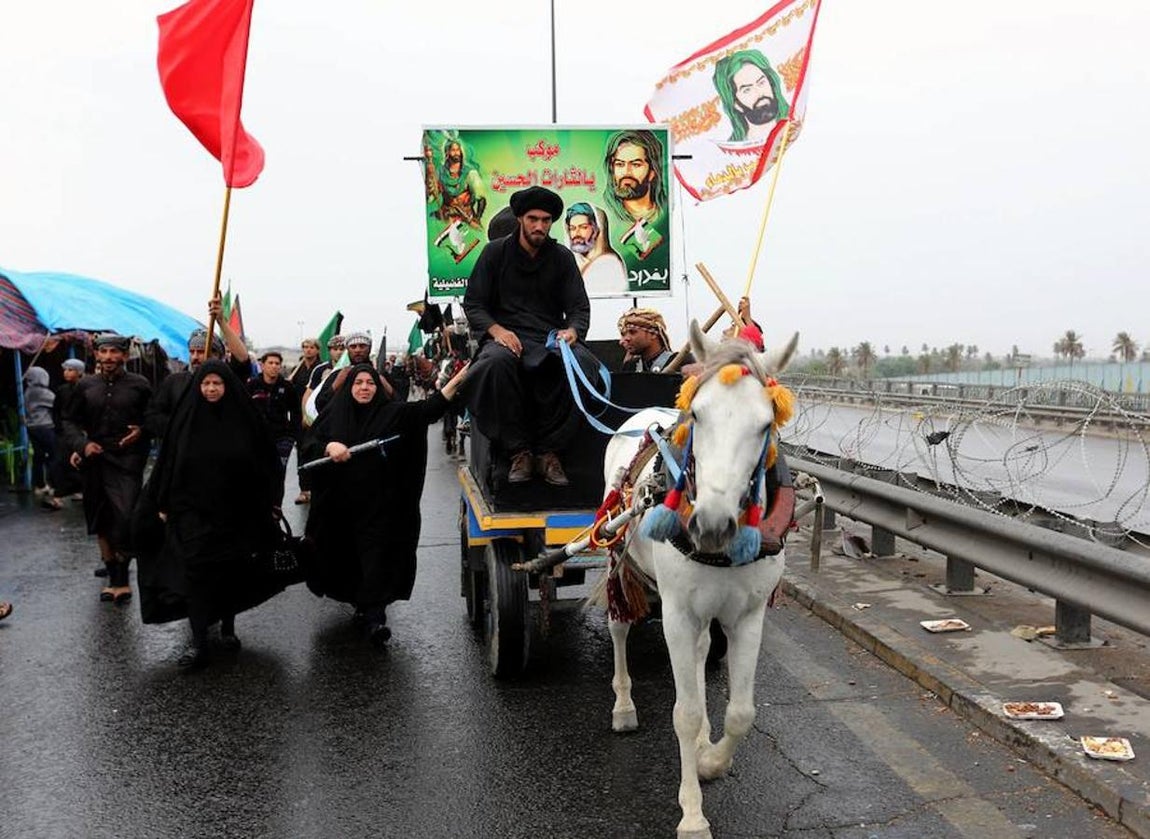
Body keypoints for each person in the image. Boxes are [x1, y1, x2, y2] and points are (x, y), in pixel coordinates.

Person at [304, 361, 470, 646]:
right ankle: (361, 604)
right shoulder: (334, 415)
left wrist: (462, 376)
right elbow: (309, 447)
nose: (365, 388)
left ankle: (375, 619)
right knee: (347, 559)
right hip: (339, 509)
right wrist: (328, 447)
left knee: (377, 559)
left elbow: (430, 409)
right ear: (350, 387)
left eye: (370, 383)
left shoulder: (393, 414)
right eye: (359, 383)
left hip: (382, 507)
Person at [144, 360, 285, 669]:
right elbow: (168, 463)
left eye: (217, 384)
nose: (210, 389)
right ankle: (199, 644)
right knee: (196, 575)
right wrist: (164, 503)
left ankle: (228, 627)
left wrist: (271, 502)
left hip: (236, 514)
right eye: (205, 384)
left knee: (229, 574)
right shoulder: (186, 420)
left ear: (227, 386)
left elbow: (267, 463)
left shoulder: (245, 421)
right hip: (192, 514)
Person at [462, 185, 596, 486]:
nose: (539, 226)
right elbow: (474, 304)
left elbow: (578, 307)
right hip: (503, 337)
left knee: (584, 366)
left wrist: (573, 331)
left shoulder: (562, 257)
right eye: (533, 219)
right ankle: (518, 452)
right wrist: (497, 331)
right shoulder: (494, 253)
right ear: (520, 218)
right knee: (494, 365)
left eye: (546, 220)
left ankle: (550, 453)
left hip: (549, 337)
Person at [62, 333, 152, 603]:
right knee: (100, 518)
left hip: (128, 459)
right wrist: (82, 445)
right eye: (104, 352)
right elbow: (69, 420)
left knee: (125, 517)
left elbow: (156, 417)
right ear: (96, 355)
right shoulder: (85, 386)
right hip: (95, 458)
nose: (109, 357)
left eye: (115, 352)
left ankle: (122, 578)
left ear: (125, 356)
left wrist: (143, 431)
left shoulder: (140, 385)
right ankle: (115, 577)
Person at [144, 296, 250, 442]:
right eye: (192, 351)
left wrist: (221, 322)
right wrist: (180, 427)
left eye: (201, 352)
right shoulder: (174, 382)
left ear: (217, 355)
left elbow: (243, 359)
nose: (195, 357)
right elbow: (154, 416)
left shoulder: (227, 381)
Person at [247, 351, 302, 484]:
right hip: (258, 438)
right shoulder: (252, 385)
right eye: (270, 363)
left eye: (277, 363)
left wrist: (293, 435)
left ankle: (276, 504)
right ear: (263, 365)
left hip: (282, 437)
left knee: (278, 473)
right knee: (259, 474)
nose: (274, 366)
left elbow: (296, 412)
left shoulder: (287, 387)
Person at [713, 49, 790, 144]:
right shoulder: (734, 149)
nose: (759, 93)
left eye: (761, 83)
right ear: (735, 104)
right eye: (747, 90)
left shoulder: (794, 123)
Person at [602, 130, 668, 226]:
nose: (626, 172)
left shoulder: (666, 213)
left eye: (636, 165)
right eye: (620, 164)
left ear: (653, 171)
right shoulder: (605, 215)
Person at [48, 358, 86, 508]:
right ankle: (59, 494)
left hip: (80, 432)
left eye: (71, 370)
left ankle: (78, 489)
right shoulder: (62, 390)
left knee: (78, 462)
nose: (66, 373)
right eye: (66, 369)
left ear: (79, 372)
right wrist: (59, 427)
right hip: (64, 432)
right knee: (62, 462)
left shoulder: (85, 389)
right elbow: (56, 411)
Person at [565, 202, 628, 295]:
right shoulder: (574, 260)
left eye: (583, 227)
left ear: (595, 230)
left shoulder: (610, 263)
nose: (577, 234)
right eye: (572, 228)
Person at [22, 367, 58, 505]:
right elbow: (57, 404)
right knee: (54, 455)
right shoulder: (42, 392)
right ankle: (55, 485)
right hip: (45, 426)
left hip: (32, 426)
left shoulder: (28, 391)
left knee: (39, 455)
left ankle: (40, 485)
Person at [617, 308, 675, 372]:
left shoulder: (680, 362)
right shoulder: (630, 367)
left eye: (632, 332)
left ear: (653, 334)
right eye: (624, 334)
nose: (622, 341)